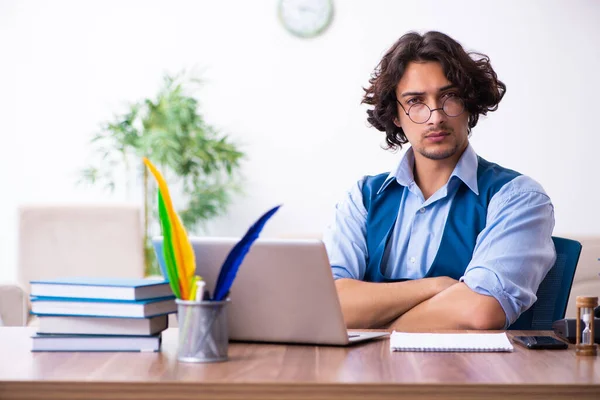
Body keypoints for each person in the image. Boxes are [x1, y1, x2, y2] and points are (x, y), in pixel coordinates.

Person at [322, 31, 556, 331]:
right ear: (396, 115)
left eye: (450, 97)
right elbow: (328, 304)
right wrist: (435, 287)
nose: (435, 117)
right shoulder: (363, 197)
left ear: (469, 103)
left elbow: (481, 312)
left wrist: (375, 323)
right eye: (415, 102)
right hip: (370, 374)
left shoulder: (517, 197)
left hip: (470, 375)